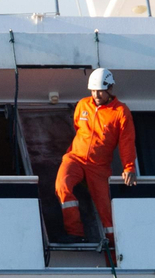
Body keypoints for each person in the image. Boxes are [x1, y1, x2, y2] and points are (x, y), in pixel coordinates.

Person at [53, 67, 137, 246]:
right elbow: (78, 128)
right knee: (62, 185)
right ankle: (75, 234)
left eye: (100, 90)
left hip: (99, 166)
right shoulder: (83, 105)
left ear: (110, 89)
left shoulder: (121, 112)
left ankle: (115, 249)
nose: (96, 94)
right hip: (74, 157)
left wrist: (129, 167)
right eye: (93, 90)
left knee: (106, 210)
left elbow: (127, 142)